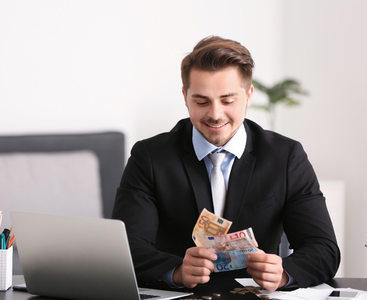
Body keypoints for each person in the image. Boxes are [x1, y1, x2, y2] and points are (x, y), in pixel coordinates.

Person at [112, 36, 340, 292]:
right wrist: (176, 271)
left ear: (249, 95)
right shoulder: (150, 156)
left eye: (228, 100)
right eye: (201, 101)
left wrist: (284, 273)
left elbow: (324, 249)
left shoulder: (286, 157)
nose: (215, 114)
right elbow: (126, 248)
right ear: (185, 96)